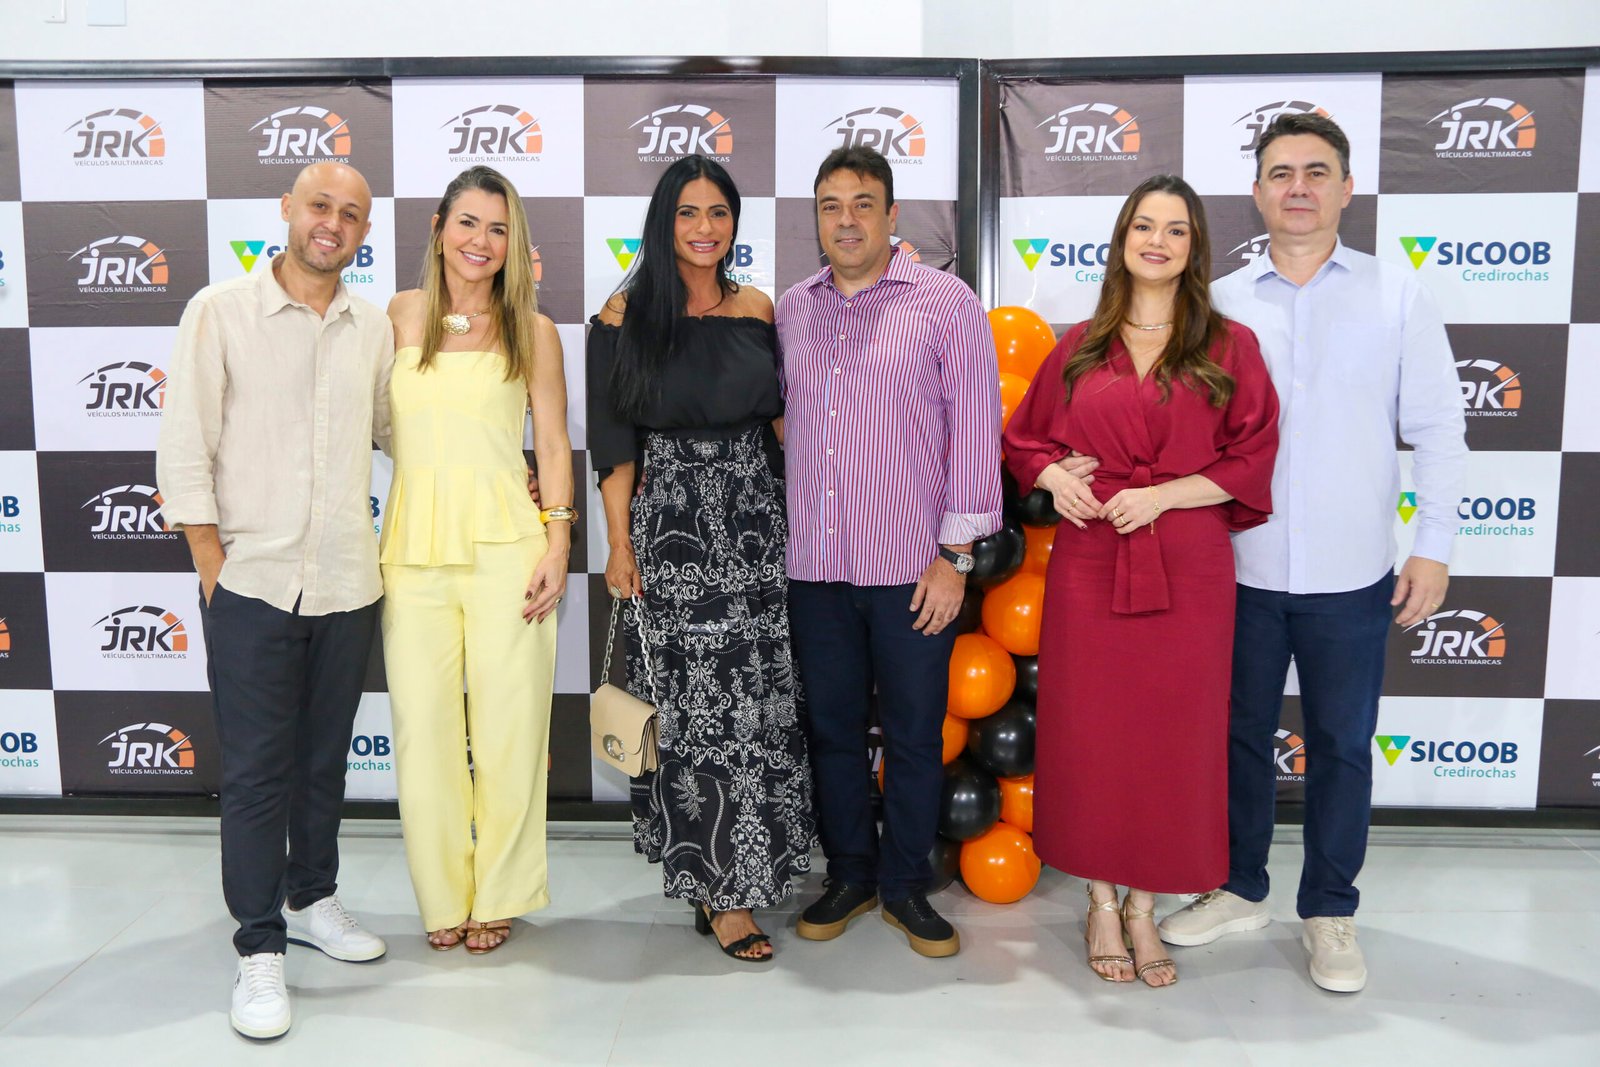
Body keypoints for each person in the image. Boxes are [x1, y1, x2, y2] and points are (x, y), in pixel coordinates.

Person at [1157, 113, 1468, 993]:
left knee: (1342, 744)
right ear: (1258, 192)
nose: (1299, 187)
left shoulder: (1396, 294)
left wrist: (1434, 546)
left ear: (1347, 188)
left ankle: (1330, 908)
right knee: (1236, 736)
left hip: (1353, 574)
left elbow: (1439, 429)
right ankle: (1238, 886)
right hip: (1237, 570)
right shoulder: (1217, 301)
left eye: (1317, 171)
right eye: (1282, 172)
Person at [1003, 174, 1280, 987]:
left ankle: (1145, 905)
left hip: (1188, 563)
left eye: (1176, 230)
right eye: (1144, 227)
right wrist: (1055, 477)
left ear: (1195, 249)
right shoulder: (1082, 346)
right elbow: (1022, 440)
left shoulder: (1230, 345)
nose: (1158, 241)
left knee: (1172, 739)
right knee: (1093, 733)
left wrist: (1162, 494)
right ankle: (1099, 899)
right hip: (1092, 558)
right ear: (1123, 240)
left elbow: (1253, 455)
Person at [157, 161, 393, 1039]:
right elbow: (185, 446)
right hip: (251, 584)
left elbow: (396, 429)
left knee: (324, 761)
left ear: (364, 231)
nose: (333, 223)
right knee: (258, 775)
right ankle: (259, 945)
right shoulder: (219, 311)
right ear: (288, 210)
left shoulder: (374, 327)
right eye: (320, 205)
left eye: (352, 214)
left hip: (348, 581)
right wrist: (212, 566)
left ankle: (313, 896)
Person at [587, 153, 814, 963]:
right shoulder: (623, 315)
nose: (705, 227)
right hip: (673, 532)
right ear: (664, 220)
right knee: (695, 712)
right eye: (688, 212)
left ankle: (750, 866)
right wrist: (619, 543)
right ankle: (721, 891)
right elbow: (615, 445)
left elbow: (785, 424)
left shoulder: (756, 308)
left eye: (719, 212)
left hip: (756, 527)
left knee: (755, 705)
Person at [780, 146, 1002, 959]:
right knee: (833, 731)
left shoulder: (946, 303)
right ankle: (851, 872)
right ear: (816, 217)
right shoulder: (792, 310)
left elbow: (976, 434)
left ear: (892, 214)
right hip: (815, 570)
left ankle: (906, 882)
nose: (846, 221)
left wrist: (956, 557)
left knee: (913, 735)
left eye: (863, 204)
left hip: (916, 573)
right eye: (831, 205)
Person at [381, 165, 571, 956]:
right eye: (467, 223)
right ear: (438, 228)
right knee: (421, 731)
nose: (481, 241)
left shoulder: (534, 329)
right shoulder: (398, 315)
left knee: (510, 730)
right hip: (411, 550)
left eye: (498, 228)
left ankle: (500, 891)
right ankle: (441, 895)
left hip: (508, 550)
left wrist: (558, 540)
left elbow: (552, 443)